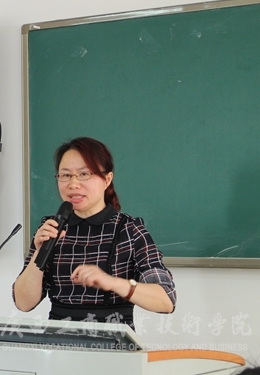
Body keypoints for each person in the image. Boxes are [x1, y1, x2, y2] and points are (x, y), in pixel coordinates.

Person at [12, 137, 175, 329]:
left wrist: (112, 282)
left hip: (113, 339)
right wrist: (39, 253)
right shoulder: (52, 228)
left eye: (84, 174)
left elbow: (166, 300)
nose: (73, 184)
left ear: (107, 179)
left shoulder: (129, 229)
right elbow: (23, 303)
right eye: (65, 175)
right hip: (58, 339)